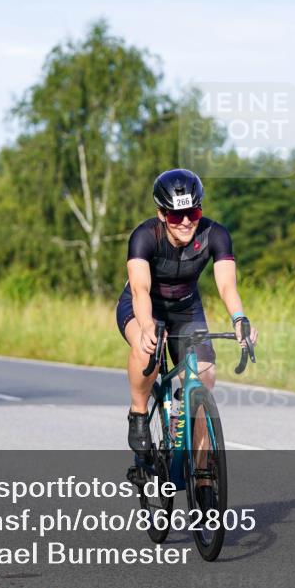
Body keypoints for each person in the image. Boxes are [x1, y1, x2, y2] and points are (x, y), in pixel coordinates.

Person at [116, 168, 258, 458]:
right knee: (147, 350)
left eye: (192, 214)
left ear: (200, 210)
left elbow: (227, 287)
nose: (184, 222)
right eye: (174, 216)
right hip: (142, 307)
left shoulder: (215, 234)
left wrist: (240, 319)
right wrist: (146, 325)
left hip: (186, 309)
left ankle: (204, 476)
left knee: (204, 376)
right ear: (161, 214)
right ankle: (139, 411)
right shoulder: (144, 237)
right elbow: (141, 290)